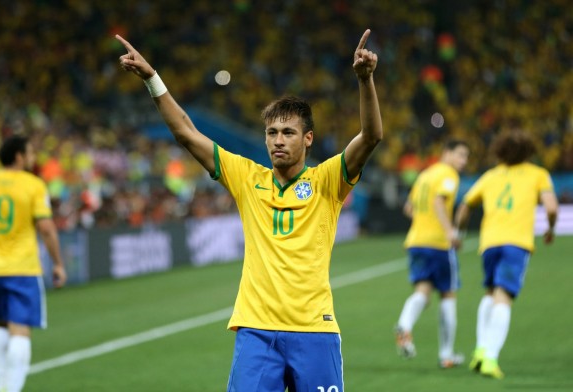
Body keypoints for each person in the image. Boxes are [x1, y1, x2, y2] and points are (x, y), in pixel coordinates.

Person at [116, 28, 382, 392]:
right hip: (257, 330)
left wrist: (365, 81)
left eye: (288, 132)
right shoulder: (246, 177)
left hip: (315, 330)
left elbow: (370, 137)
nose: (277, 141)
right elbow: (186, 133)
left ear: (308, 138)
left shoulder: (328, 180)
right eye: (271, 132)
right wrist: (152, 79)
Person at [454, 130, 558, 379]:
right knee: (504, 297)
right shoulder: (538, 174)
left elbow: (465, 206)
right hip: (516, 243)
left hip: (489, 243)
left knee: (490, 292)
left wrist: (459, 232)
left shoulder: (490, 176)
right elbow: (552, 207)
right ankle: (490, 357)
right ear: (529, 151)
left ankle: (480, 350)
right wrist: (551, 228)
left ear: (499, 151)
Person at [0, 135, 67, 392]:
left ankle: (2, 382)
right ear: (18, 156)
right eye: (29, 153)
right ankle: (10, 389)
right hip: (23, 268)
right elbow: (46, 228)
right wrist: (58, 263)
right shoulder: (33, 185)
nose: (32, 158)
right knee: (20, 330)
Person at [394, 139, 470, 368]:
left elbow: (409, 208)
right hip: (438, 243)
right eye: (459, 155)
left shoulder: (425, 175)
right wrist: (450, 233)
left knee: (423, 291)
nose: (463, 161)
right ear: (446, 153)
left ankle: (404, 326)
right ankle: (446, 355)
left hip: (416, 241)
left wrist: (424, 224)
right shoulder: (448, 175)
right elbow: (438, 201)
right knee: (448, 294)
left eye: (466, 157)